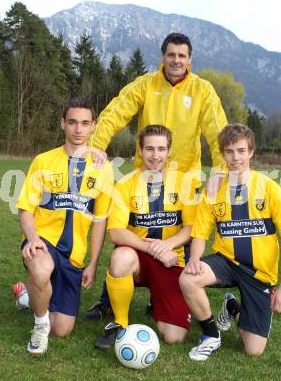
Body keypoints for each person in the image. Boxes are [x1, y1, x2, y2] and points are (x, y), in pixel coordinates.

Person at [85, 32, 228, 319]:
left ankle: (166, 296)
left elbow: (217, 132)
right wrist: (96, 148)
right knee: (132, 234)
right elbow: (114, 113)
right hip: (145, 176)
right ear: (163, 57)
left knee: (181, 238)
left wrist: (221, 170)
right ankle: (109, 300)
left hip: (184, 179)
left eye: (182, 55)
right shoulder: (146, 84)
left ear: (190, 59)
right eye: (171, 54)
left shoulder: (203, 90)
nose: (176, 60)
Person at [179, 123, 281, 361]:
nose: (236, 157)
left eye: (241, 151)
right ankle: (211, 335)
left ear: (251, 152)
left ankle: (232, 308)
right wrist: (193, 259)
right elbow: (200, 234)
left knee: (254, 349)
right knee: (188, 279)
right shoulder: (213, 190)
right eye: (230, 151)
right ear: (223, 154)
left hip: (259, 273)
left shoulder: (269, 188)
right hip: (227, 261)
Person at [16, 97, 113, 355]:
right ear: (62, 124)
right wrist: (33, 238)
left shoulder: (101, 167)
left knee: (62, 330)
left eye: (84, 123)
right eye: (72, 122)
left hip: (74, 256)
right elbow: (25, 209)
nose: (78, 129)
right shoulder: (43, 161)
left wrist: (92, 263)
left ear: (93, 126)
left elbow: (100, 221)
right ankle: (39, 324)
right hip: (44, 240)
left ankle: (28, 296)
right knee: (41, 268)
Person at [94, 125, 198, 349]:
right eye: (149, 148)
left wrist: (166, 245)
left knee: (174, 337)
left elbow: (190, 229)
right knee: (120, 258)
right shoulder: (125, 185)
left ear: (169, 151)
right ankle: (119, 322)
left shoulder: (184, 183)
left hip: (172, 260)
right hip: (138, 258)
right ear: (140, 150)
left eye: (161, 149)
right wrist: (152, 249)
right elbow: (116, 232)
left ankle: (161, 303)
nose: (155, 155)